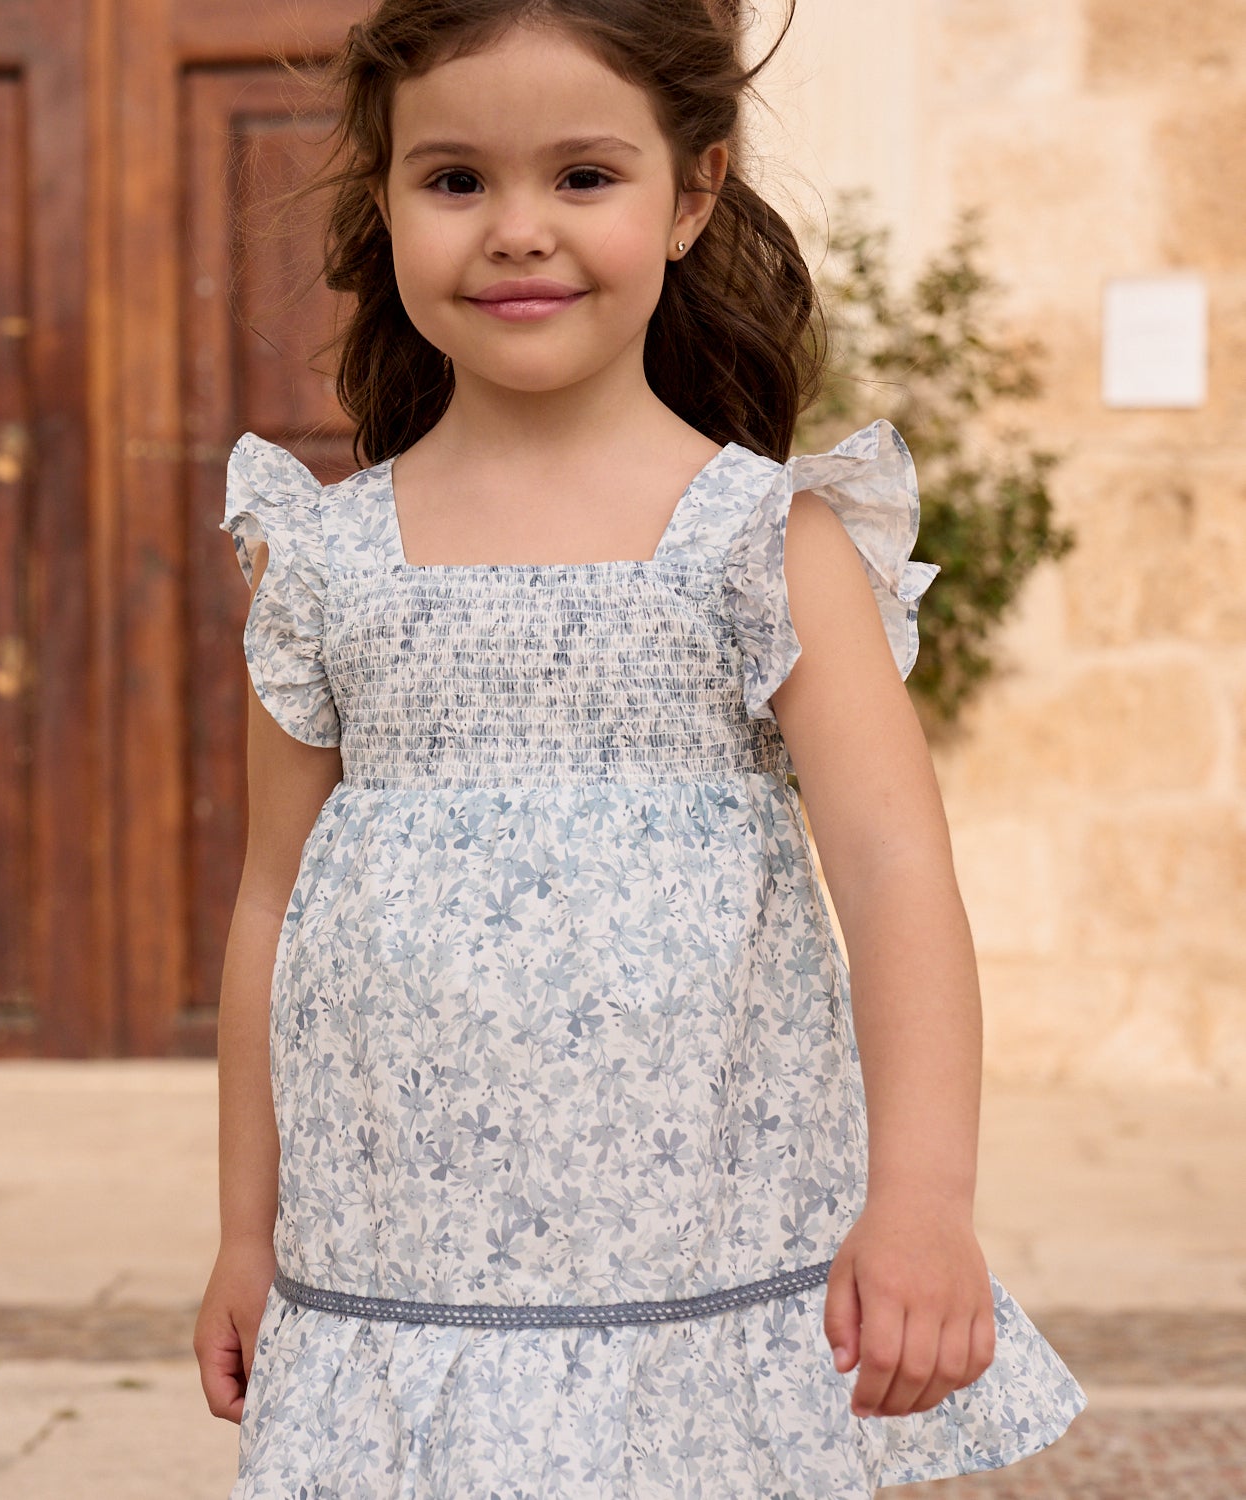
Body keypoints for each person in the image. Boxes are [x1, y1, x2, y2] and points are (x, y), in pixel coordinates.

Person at [193, 0, 1088, 1494]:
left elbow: (890, 870)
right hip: (397, 1277)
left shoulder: (765, 545)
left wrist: (923, 1199)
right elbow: (270, 904)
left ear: (694, 197)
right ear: (386, 200)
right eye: (456, 178)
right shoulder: (323, 561)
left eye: (584, 178)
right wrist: (244, 1233)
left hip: (700, 1269)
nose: (516, 230)